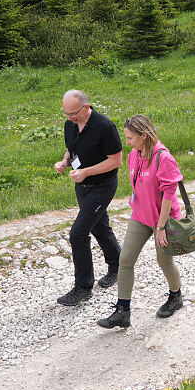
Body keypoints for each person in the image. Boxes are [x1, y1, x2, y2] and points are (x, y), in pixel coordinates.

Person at [95, 114, 184, 329]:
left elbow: (169, 195)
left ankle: (176, 296)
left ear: (144, 136)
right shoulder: (134, 155)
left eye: (130, 138)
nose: (127, 143)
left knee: (164, 261)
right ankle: (122, 311)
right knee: (125, 260)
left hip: (163, 220)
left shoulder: (163, 158)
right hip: (141, 216)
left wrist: (161, 227)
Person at [56, 90, 123, 306]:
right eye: (66, 114)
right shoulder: (70, 125)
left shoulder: (105, 126)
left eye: (73, 113)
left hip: (102, 186)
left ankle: (83, 287)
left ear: (86, 107)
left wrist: (86, 172)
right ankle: (118, 265)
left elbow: (115, 161)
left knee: (78, 233)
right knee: (99, 227)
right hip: (82, 186)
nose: (70, 118)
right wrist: (65, 162)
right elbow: (70, 150)